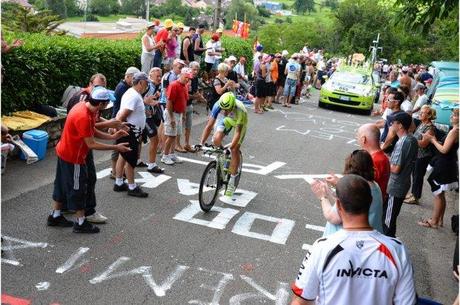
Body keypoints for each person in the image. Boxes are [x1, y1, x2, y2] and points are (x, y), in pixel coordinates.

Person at [291, 174, 417, 305]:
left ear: (338, 205)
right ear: (370, 203)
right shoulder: (397, 249)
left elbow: (301, 301)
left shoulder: (321, 248)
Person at [48, 87, 131, 234]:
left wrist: (112, 137)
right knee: (78, 188)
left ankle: (55, 216)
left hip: (64, 152)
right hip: (74, 157)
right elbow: (91, 143)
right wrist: (116, 147)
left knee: (61, 184)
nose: (106, 108)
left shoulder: (84, 107)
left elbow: (92, 130)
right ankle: (80, 223)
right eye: (106, 104)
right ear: (101, 104)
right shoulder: (83, 116)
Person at [311, 150, 384, 235]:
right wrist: (338, 186)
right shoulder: (375, 186)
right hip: (371, 235)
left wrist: (323, 197)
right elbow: (348, 204)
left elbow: (333, 217)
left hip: (345, 239)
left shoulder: (355, 190)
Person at [199, 92, 248, 197]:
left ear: (232, 105)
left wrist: (231, 147)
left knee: (234, 149)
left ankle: (233, 179)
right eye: (223, 109)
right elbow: (209, 125)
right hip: (227, 120)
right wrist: (201, 143)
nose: (225, 111)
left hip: (239, 122)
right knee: (216, 139)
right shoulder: (218, 105)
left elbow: (237, 133)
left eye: (227, 109)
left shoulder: (239, 110)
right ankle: (223, 157)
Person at [114, 72, 152, 198]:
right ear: (141, 82)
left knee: (123, 156)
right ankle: (132, 186)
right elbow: (123, 114)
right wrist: (116, 126)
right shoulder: (134, 96)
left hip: (130, 130)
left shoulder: (133, 93)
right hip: (130, 131)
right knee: (131, 159)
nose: (147, 86)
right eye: (146, 83)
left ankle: (119, 182)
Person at [419, 109, 459, 229]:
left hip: (444, 164)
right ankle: (439, 219)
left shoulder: (455, 131)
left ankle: (434, 221)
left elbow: (444, 150)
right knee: (441, 193)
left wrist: (432, 140)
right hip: (448, 163)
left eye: (455, 115)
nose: (452, 116)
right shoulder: (455, 130)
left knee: (438, 193)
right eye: (452, 114)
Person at [383, 111, 418, 237]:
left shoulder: (402, 142)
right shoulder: (412, 139)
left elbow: (396, 168)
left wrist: (385, 160)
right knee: (390, 218)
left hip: (395, 186)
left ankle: (389, 249)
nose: (391, 124)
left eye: (393, 122)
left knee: (387, 222)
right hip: (403, 183)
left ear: (400, 125)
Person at [110, 67, 140, 178]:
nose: (134, 81)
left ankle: (118, 171)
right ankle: (114, 171)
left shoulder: (126, 87)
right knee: (117, 147)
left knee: (121, 147)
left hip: (120, 121)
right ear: (127, 76)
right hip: (117, 121)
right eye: (133, 78)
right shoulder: (122, 87)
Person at [161, 67, 192, 165]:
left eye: (189, 78)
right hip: (172, 113)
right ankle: (165, 156)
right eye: (186, 77)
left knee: (175, 135)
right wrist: (172, 118)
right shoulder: (174, 85)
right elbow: (169, 102)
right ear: (181, 75)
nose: (188, 80)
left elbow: (184, 100)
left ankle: (171, 154)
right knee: (170, 135)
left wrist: (183, 114)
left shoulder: (184, 86)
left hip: (178, 114)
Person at [405, 105, 436, 205]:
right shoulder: (422, 123)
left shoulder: (429, 127)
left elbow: (423, 144)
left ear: (429, 115)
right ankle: (413, 193)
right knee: (414, 175)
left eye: (422, 113)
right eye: (420, 112)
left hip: (423, 157)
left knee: (418, 176)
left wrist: (411, 138)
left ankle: (416, 197)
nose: (420, 114)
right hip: (417, 155)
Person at [176, 61, 206, 153]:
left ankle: (186, 144)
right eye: (194, 69)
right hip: (182, 105)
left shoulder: (195, 79)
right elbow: (184, 95)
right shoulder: (185, 78)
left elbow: (194, 91)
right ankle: (177, 145)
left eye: (197, 69)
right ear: (189, 68)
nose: (196, 71)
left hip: (189, 104)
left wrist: (200, 97)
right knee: (180, 126)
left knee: (188, 126)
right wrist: (196, 97)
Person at [356, 123, 390, 201]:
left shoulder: (374, 160)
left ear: (363, 139)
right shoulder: (381, 156)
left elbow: (362, 186)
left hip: (370, 203)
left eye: (358, 136)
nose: (357, 139)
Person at [144, 67, 165, 174]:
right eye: (157, 76)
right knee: (154, 139)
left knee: (139, 140)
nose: (159, 78)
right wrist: (145, 109)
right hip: (144, 117)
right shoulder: (148, 86)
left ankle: (139, 160)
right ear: (150, 75)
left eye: (160, 76)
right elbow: (140, 98)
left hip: (147, 116)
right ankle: (151, 164)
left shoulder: (154, 86)